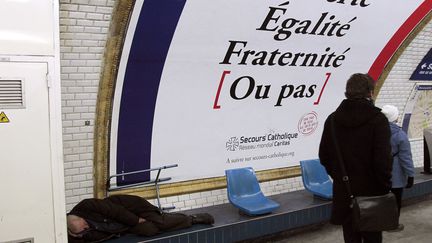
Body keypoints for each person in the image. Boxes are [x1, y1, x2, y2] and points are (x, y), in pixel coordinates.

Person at [319, 73, 393, 243]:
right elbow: (383, 161)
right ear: (370, 93)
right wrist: (384, 185)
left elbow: (324, 156)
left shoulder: (332, 120)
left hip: (345, 193)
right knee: (373, 238)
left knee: (350, 238)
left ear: (347, 92)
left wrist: (339, 177)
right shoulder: (378, 120)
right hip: (373, 193)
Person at [67, 194, 214, 242]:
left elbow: (115, 211)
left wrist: (136, 220)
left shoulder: (86, 206)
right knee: (149, 230)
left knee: (161, 222)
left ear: (79, 217)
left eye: (85, 224)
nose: (87, 227)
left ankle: (192, 219)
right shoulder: (76, 234)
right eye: (83, 230)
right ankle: (171, 219)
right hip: (124, 226)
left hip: (132, 209)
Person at [381, 104, 415, 232]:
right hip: (396, 175)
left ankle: (381, 223)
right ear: (395, 117)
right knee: (396, 201)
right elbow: (405, 158)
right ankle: (392, 225)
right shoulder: (400, 135)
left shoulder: (376, 131)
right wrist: (410, 175)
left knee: (382, 200)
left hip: (380, 173)